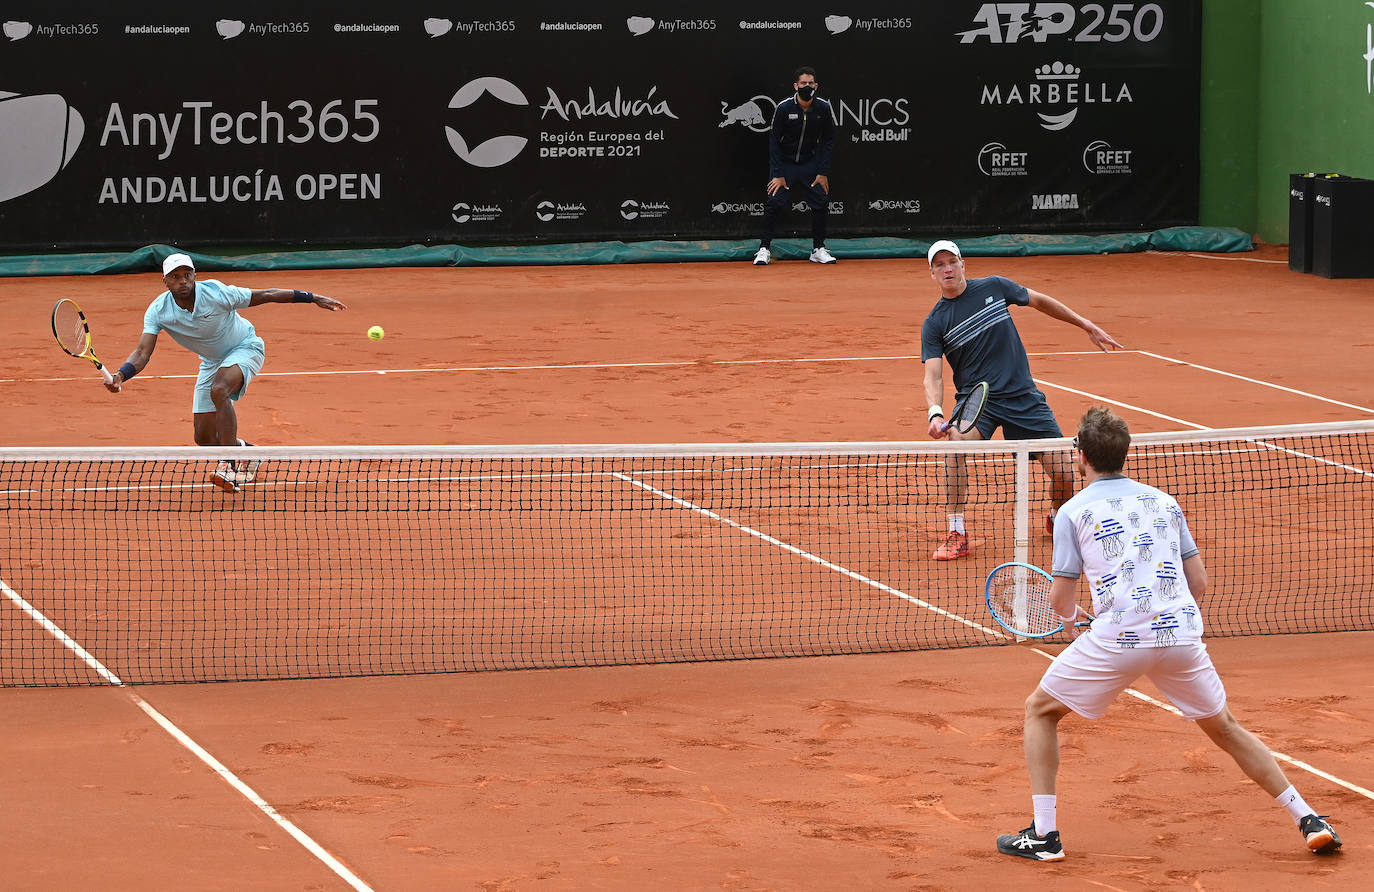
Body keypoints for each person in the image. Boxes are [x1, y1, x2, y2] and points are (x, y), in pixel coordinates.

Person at [995, 406, 1343, 862]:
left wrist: (1068, 618)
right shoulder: (1165, 502)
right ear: (1124, 453)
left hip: (1118, 641)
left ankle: (1044, 836)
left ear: (1080, 456)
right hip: (1180, 635)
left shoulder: (1072, 512)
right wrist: (1169, 625)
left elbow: (1061, 596)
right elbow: (1197, 583)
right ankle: (1308, 818)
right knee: (1226, 728)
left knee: (1040, 711)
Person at [922, 239, 1122, 560]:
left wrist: (1086, 324)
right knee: (954, 444)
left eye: (952, 262)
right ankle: (957, 531)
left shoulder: (995, 287)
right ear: (932, 273)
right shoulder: (935, 323)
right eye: (939, 265)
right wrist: (935, 412)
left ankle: (1057, 520)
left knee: (1065, 474)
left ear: (963, 264)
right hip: (980, 402)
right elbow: (933, 374)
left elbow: (1040, 301)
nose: (947, 269)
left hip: (1023, 397)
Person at [104, 252, 347, 492]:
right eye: (175, 276)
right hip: (211, 361)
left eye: (187, 275)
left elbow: (267, 295)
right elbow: (142, 353)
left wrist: (313, 297)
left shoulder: (217, 293)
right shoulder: (158, 311)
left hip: (245, 347)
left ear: (195, 275)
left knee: (219, 390)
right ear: (165, 281)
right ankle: (249, 453)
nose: (183, 281)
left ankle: (228, 463)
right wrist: (120, 375)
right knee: (205, 438)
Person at [752, 66, 837, 266]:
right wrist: (777, 173)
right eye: (803, 83)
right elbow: (774, 140)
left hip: (810, 164)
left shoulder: (823, 108)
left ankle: (818, 249)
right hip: (785, 165)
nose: (807, 87)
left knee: (821, 202)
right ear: (795, 86)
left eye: (810, 83)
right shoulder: (784, 107)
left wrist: (822, 171)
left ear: (816, 86)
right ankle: (764, 249)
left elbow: (829, 140)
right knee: (773, 203)